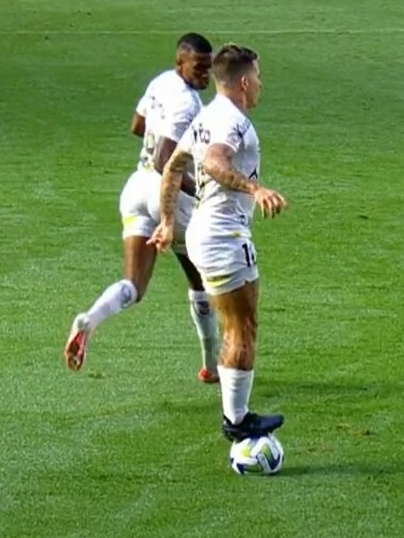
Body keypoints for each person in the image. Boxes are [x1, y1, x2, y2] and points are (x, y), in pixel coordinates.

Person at [148, 44, 287, 441]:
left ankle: (235, 415)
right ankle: (237, 420)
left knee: (236, 327)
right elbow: (212, 162)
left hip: (201, 235)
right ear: (244, 82)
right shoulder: (232, 121)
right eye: (258, 77)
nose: (260, 84)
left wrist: (170, 221)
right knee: (242, 329)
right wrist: (254, 188)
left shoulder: (205, 115)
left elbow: (173, 165)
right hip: (223, 236)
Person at [64, 33, 220, 383]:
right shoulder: (188, 104)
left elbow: (137, 126)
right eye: (199, 67)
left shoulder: (161, 82)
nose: (205, 76)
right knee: (201, 279)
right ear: (181, 62)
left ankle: (90, 318)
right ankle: (211, 365)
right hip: (167, 195)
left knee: (133, 283)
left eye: (209, 68)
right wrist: (201, 188)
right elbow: (168, 161)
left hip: (136, 187)